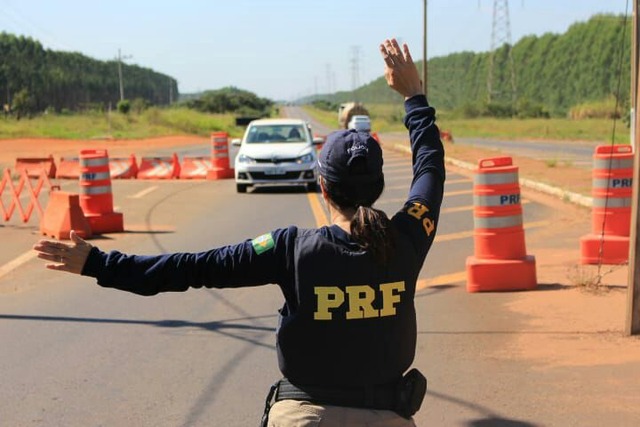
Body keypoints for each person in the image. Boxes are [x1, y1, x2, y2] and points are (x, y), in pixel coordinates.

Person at [33, 38, 445, 426]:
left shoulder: (291, 250)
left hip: (303, 417)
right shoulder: (407, 236)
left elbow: (191, 269)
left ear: (321, 186)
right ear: (377, 186)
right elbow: (429, 166)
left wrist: (99, 263)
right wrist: (414, 98)